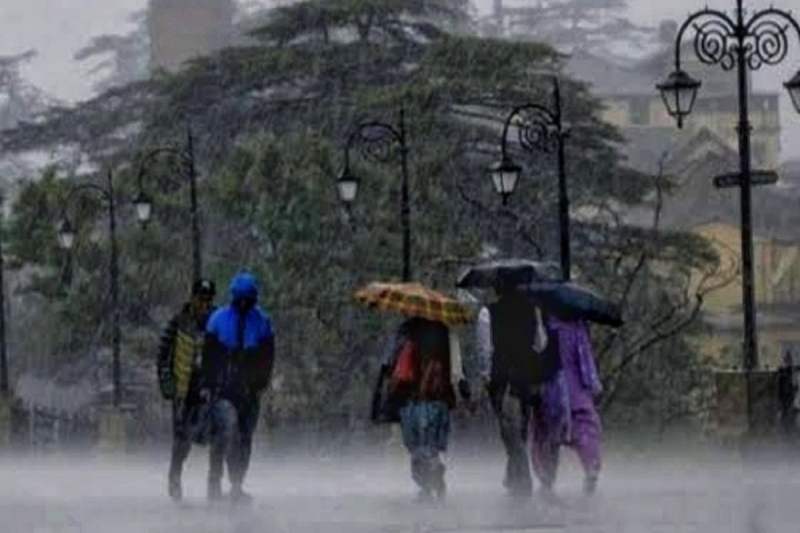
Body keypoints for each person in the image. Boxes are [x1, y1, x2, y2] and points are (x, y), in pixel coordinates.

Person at [476, 283, 557, 498]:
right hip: (526, 378)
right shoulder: (533, 310)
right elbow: (541, 343)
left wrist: (485, 375)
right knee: (520, 427)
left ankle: (522, 480)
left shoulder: (488, 312)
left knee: (510, 431)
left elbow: (484, 348)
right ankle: (514, 477)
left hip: (502, 378)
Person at [201, 271, 275, 503]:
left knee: (244, 437)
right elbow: (209, 357)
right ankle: (215, 481)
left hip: (249, 389)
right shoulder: (218, 320)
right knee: (226, 431)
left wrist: (260, 383)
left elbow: (267, 357)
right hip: (224, 389)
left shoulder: (262, 322)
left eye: (248, 298)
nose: (243, 303)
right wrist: (208, 384)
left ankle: (236, 484)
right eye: (240, 298)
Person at [384, 317, 469, 502]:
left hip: (413, 400)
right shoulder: (446, 332)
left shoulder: (406, 331)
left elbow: (395, 368)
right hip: (440, 400)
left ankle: (427, 486)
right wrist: (464, 394)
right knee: (432, 446)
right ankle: (434, 472)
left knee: (416, 447)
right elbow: (457, 370)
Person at [157, 278, 217, 502]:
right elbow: (163, 354)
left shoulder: (217, 322)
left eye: (208, 300)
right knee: (183, 437)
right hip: (184, 388)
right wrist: (167, 381)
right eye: (201, 299)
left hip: (209, 388)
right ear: (192, 298)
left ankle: (215, 483)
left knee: (216, 435)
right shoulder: (178, 322)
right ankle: (175, 475)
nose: (204, 304)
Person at [529, 314, 603, 496]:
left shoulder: (541, 323)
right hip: (575, 389)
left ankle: (547, 478)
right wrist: (593, 384)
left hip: (550, 388)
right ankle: (591, 467)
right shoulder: (576, 326)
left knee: (546, 435)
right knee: (586, 429)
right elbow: (584, 358)